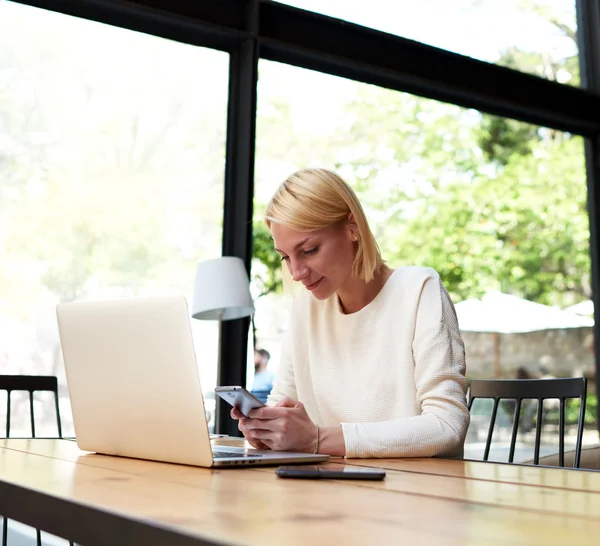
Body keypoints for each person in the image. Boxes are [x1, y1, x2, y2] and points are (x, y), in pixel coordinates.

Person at [231, 168, 470, 458]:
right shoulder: (306, 307)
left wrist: (317, 440)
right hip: (330, 489)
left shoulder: (419, 289)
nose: (295, 273)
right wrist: (269, 430)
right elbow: (284, 402)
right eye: (285, 257)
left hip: (413, 491)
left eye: (308, 250)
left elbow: (447, 425)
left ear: (352, 227)